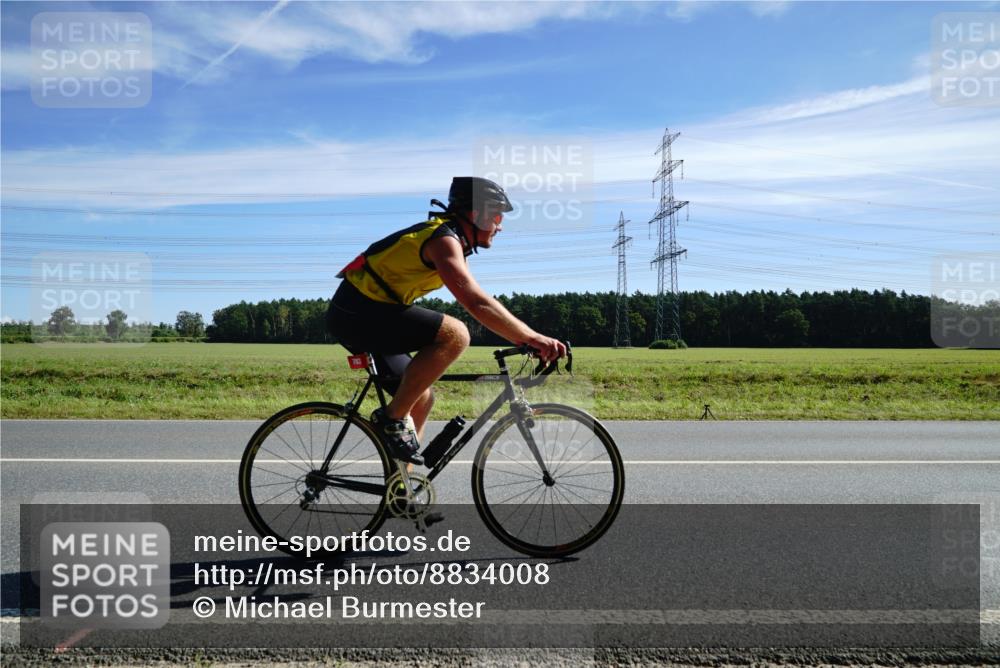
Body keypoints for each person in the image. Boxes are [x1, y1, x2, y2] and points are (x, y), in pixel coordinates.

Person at [327, 176, 567, 465]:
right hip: (357, 313)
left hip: (371, 313)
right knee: (456, 334)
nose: (500, 224)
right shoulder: (442, 240)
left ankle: (403, 492)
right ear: (476, 214)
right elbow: (476, 302)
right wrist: (531, 337)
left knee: (421, 397)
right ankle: (391, 419)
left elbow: (482, 299)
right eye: (497, 215)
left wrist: (525, 337)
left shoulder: (452, 241)